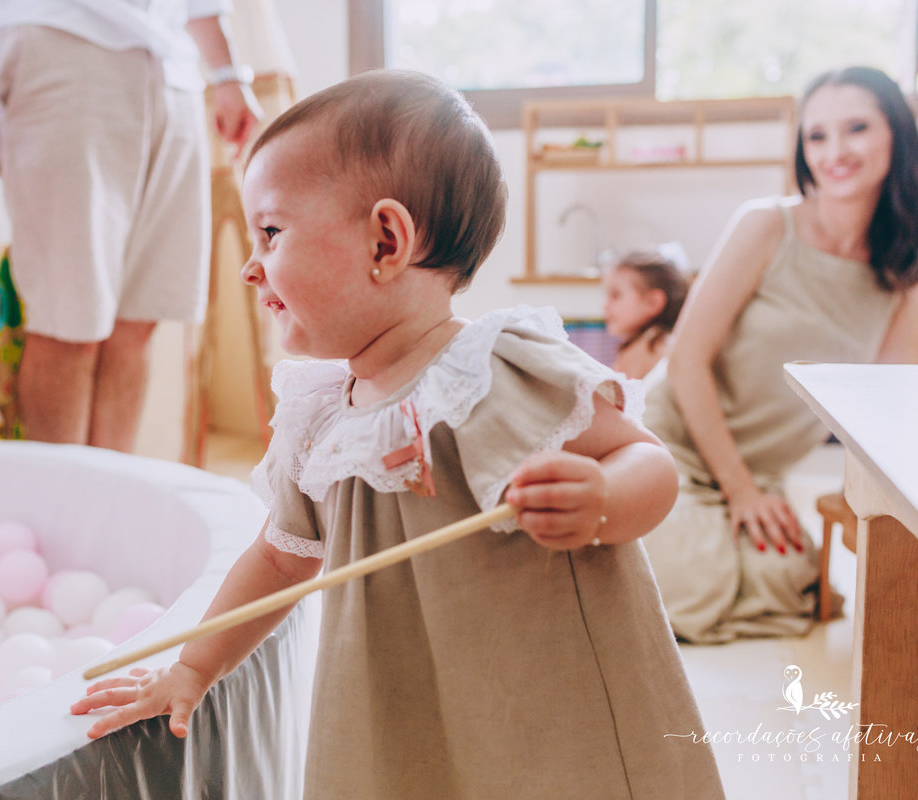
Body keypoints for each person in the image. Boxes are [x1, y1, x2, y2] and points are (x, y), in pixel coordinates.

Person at [71, 71, 724, 798]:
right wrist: (192, 666)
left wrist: (601, 497)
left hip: (539, 692)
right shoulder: (321, 416)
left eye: (272, 232)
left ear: (387, 240)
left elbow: (647, 459)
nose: (253, 266)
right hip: (402, 697)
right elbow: (283, 561)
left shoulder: (491, 372)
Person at [0, 0, 262, 451]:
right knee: (68, 323)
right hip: (57, 33)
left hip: (172, 61)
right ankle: (57, 513)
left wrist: (227, 73)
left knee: (136, 324)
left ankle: (109, 503)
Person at [641, 66, 918, 644]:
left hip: (762, 473)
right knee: (697, 581)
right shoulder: (766, 225)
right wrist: (739, 491)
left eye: (855, 128)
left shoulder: (908, 281)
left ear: (895, 136)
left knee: (789, 577)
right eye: (817, 136)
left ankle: (720, 572)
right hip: (672, 444)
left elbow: (891, 416)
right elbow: (685, 362)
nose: (835, 151)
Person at [603, 250, 689, 380]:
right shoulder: (664, 341)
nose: (605, 305)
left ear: (652, 302)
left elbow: (616, 399)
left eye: (616, 295)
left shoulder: (646, 347)